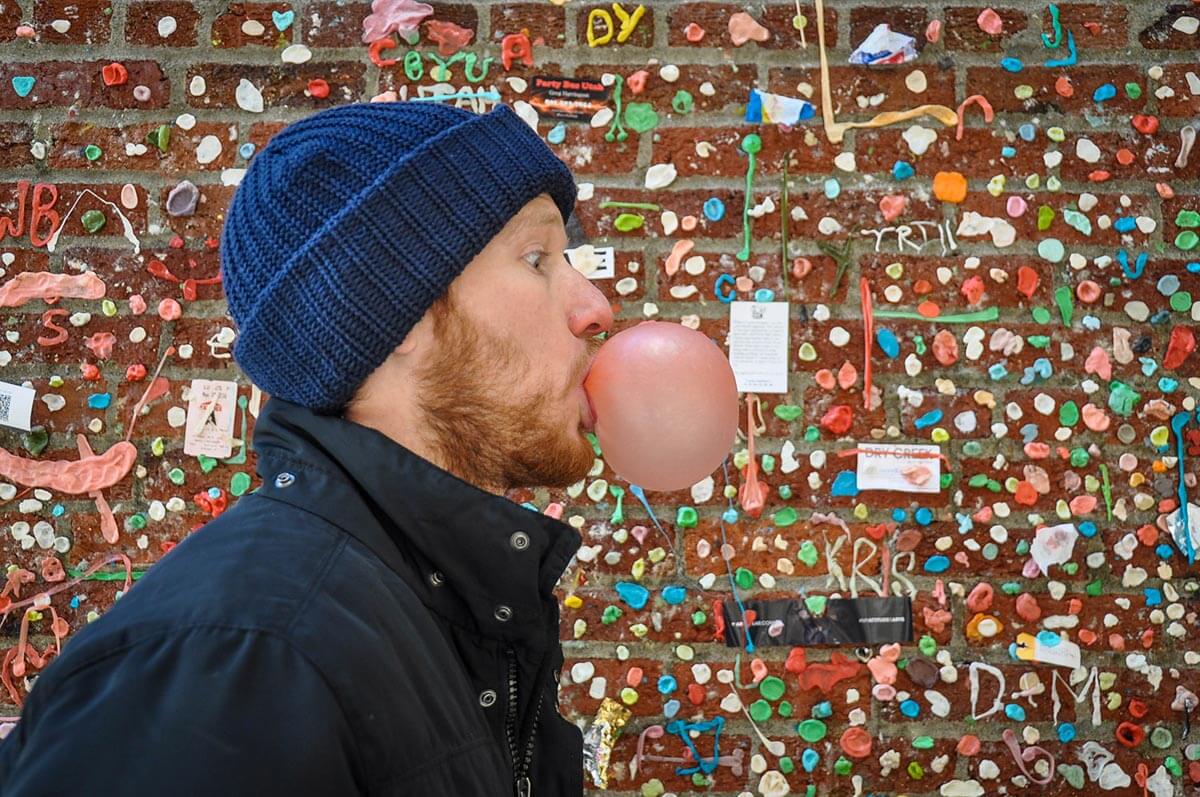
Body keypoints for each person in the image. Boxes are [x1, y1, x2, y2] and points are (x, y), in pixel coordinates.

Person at [0, 101, 613, 795]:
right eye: (536, 258)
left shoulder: (429, 606)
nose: (596, 307)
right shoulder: (241, 658)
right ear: (397, 312)